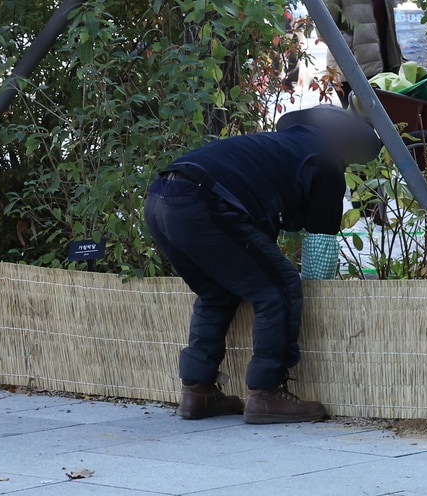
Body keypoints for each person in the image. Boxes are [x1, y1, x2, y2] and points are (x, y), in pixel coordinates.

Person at [143, 106, 381, 423]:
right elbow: (320, 242)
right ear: (346, 145)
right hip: (204, 202)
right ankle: (267, 394)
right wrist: (311, 291)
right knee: (278, 287)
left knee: (217, 293)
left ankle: (198, 392)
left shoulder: (278, 146)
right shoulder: (325, 162)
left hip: (161, 198)